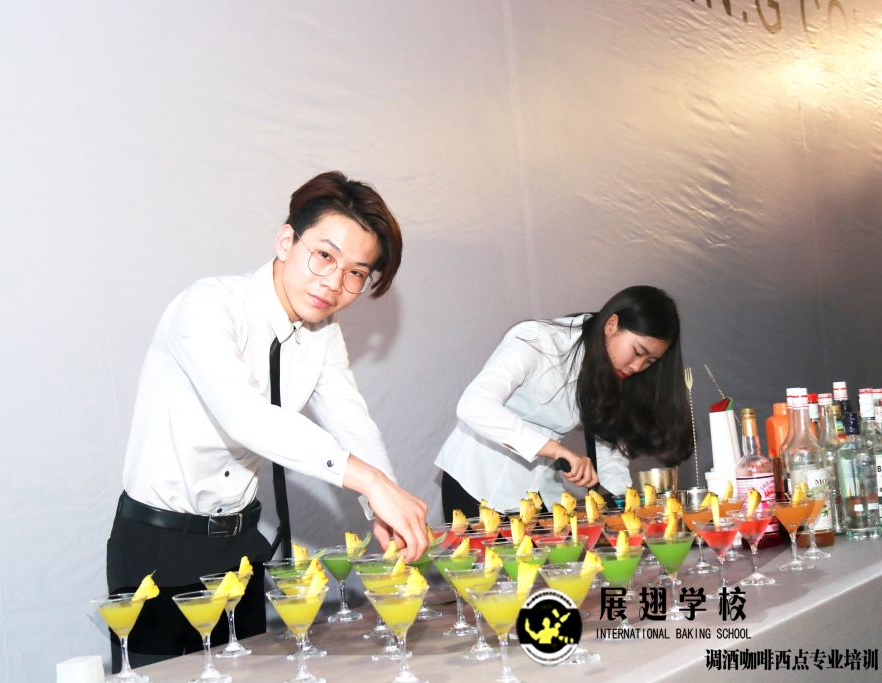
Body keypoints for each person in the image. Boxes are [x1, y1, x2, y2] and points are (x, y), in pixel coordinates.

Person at [106, 171, 428, 668]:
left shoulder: (324, 334)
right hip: (159, 546)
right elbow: (245, 416)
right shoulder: (208, 305)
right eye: (324, 256)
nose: (334, 283)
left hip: (239, 549)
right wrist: (367, 481)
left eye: (356, 273)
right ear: (285, 241)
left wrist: (381, 505)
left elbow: (352, 422)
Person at [434, 286, 692, 520]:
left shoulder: (616, 371)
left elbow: (609, 444)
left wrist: (623, 504)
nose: (637, 367)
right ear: (612, 324)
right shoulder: (539, 341)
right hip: (475, 485)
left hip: (537, 494)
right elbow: (474, 404)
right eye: (637, 352)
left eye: (650, 362)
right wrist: (554, 449)